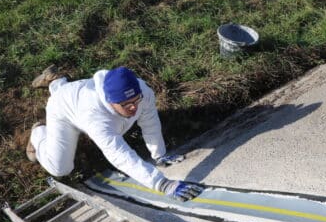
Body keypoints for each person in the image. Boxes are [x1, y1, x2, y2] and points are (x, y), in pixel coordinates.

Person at [27, 65, 203, 202]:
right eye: (126, 104)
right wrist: (163, 184)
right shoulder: (95, 118)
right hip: (62, 109)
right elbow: (120, 155)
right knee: (60, 168)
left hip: (79, 94)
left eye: (136, 100)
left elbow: (149, 121)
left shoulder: (142, 91)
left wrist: (160, 154)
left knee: (125, 119)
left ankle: (57, 82)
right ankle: (38, 133)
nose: (134, 107)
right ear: (110, 101)